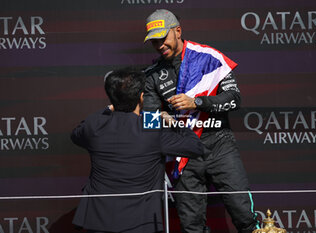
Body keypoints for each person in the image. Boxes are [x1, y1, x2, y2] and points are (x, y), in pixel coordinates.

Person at [143, 9, 260, 233]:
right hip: (182, 152)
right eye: (154, 42)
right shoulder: (152, 75)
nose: (159, 45)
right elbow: (148, 121)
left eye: (163, 38)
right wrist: (163, 117)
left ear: (177, 31)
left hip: (220, 144)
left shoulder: (209, 57)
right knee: (191, 226)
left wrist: (196, 102)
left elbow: (234, 99)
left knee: (244, 215)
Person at [71, 67, 204, 233]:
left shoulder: (95, 125)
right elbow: (195, 147)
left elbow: (76, 134)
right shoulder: (151, 126)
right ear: (142, 97)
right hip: (141, 223)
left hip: (98, 222)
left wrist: (109, 108)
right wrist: (174, 123)